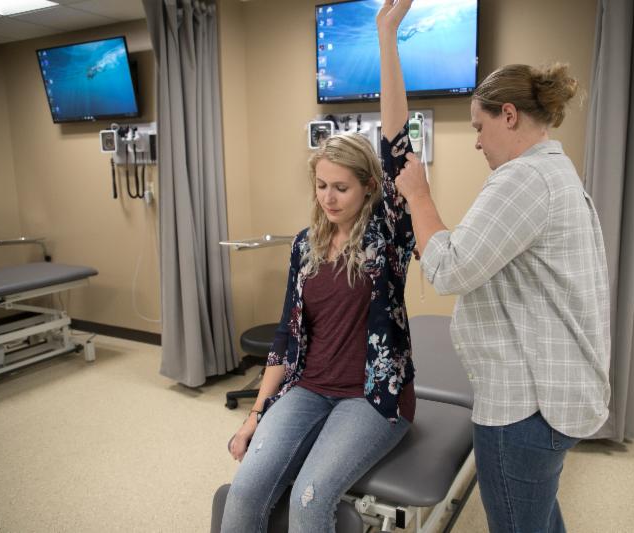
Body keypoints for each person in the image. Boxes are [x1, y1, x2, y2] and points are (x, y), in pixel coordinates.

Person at [219, 2, 418, 532]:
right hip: (307, 388)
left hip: (371, 396)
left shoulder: (387, 236)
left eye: (341, 188)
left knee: (310, 499)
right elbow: (287, 336)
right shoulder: (305, 246)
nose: (328, 198)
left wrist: (386, 36)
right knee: (245, 490)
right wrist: (255, 416)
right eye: (322, 185)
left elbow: (396, 145)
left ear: (369, 187)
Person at [395, 61, 611, 531]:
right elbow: (490, 258)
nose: (476, 141)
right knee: (538, 517)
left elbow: (450, 270)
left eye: (479, 126)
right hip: (552, 392)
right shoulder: (555, 170)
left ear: (508, 115)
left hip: (525, 406)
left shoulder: (524, 178)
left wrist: (419, 196)